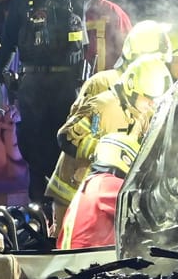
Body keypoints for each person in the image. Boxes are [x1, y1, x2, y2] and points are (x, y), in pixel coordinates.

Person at [0, 0, 87, 214]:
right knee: (33, 153)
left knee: (66, 152)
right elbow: (8, 37)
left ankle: (68, 217)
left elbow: (95, 23)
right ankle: (38, 219)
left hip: (65, 82)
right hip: (32, 82)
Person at [47, 54, 171, 220]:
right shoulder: (103, 106)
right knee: (69, 242)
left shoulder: (142, 112)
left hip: (102, 196)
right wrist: (103, 151)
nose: (152, 104)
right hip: (73, 193)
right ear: (131, 87)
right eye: (148, 98)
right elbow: (66, 137)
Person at [58, 131, 138, 250]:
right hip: (91, 261)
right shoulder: (106, 183)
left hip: (78, 259)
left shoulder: (93, 182)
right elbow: (141, 206)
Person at [67, 0, 130, 76]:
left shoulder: (112, 12)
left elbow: (128, 53)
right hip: (69, 86)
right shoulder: (65, 12)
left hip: (103, 88)